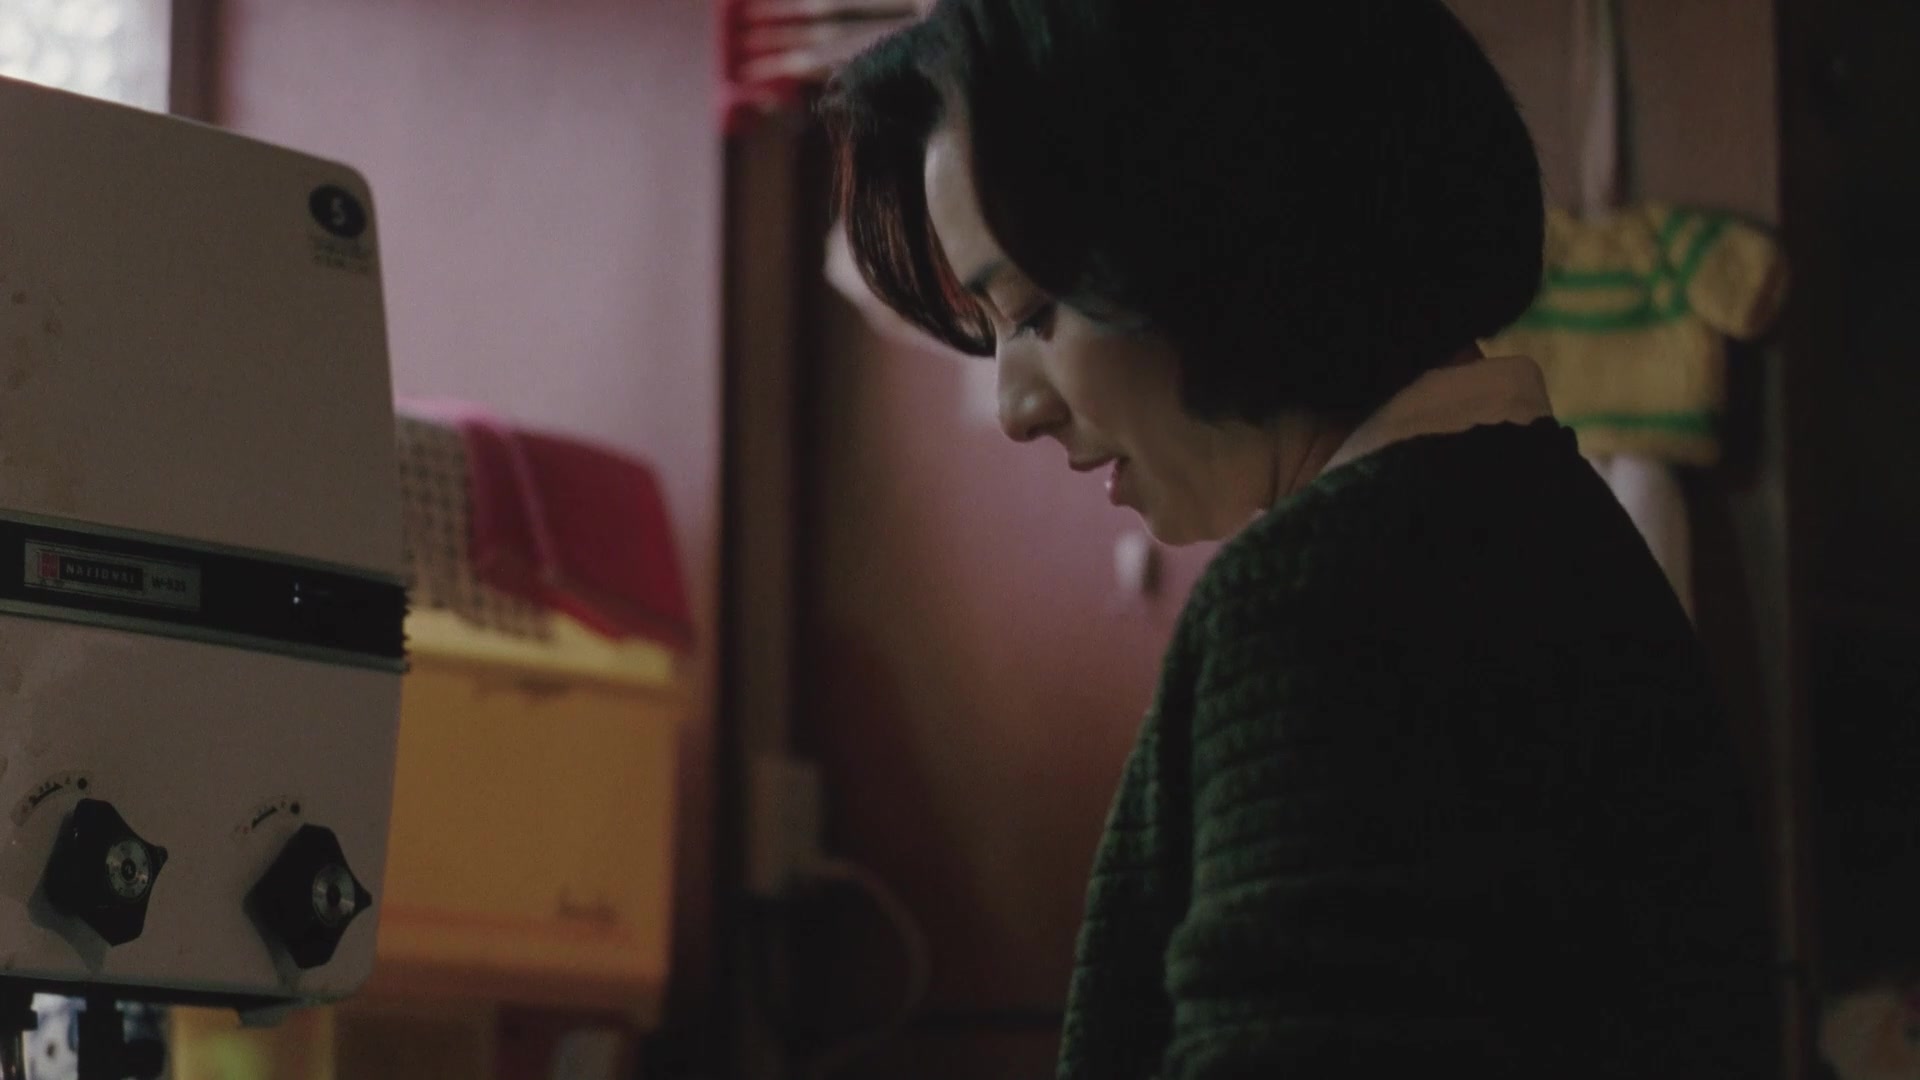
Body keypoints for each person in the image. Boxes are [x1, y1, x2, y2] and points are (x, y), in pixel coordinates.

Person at [820, 3, 1780, 1078]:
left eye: (1036, 312)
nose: (1015, 408)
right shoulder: (1542, 532)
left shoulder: (1331, 611)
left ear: (1213, 226)